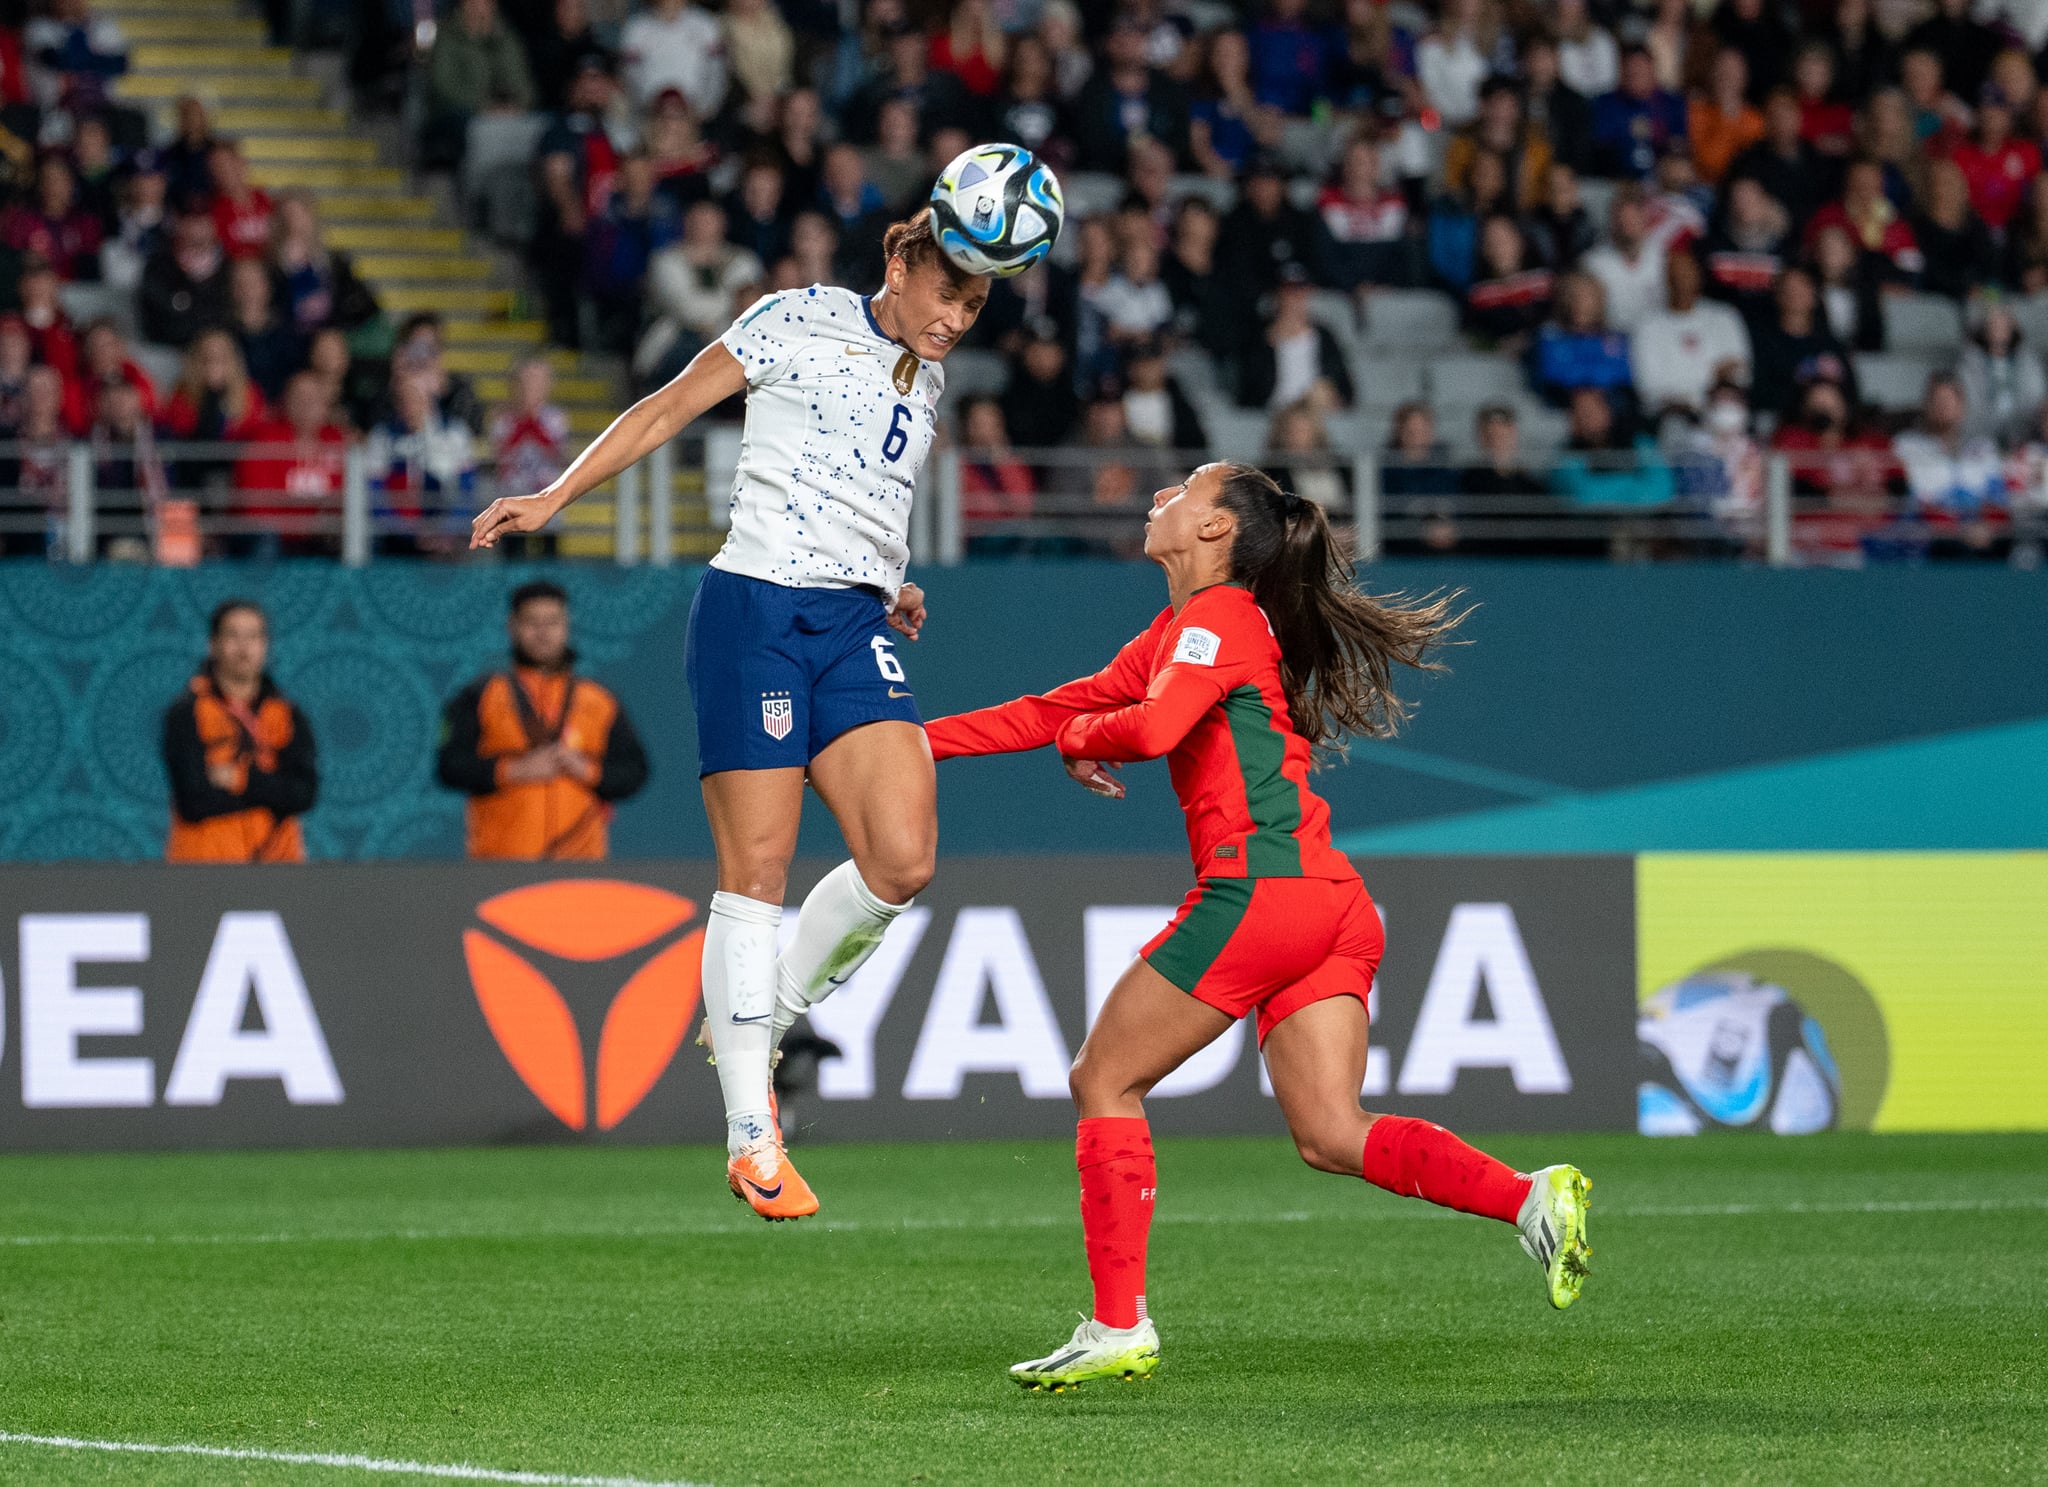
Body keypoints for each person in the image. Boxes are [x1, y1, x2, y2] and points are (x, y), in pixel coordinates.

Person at [923, 462, 1592, 1390]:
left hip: (1263, 890)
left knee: (1104, 1077)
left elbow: (1147, 730)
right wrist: (905, 746)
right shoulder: (1181, 629)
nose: (1165, 490)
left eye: (1187, 485)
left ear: (1214, 532)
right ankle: (1529, 1199)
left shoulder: (1221, 618)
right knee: (1329, 1131)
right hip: (1332, 902)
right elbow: (1053, 710)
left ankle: (1120, 1326)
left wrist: (1083, 743)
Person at [469, 210, 988, 1221]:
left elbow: (863, 490)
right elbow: (665, 409)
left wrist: (889, 576)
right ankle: (751, 1131)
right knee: (756, 872)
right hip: (752, 609)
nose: (954, 319)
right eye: (944, 294)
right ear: (897, 264)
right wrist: (554, 495)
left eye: (972, 305)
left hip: (850, 619)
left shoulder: (926, 375)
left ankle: (760, 1011)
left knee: (904, 857)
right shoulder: (793, 318)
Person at [437, 581, 649, 859]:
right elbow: (449, 766)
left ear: (567, 626)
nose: (543, 632)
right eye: (531, 622)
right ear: (512, 625)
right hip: (499, 865)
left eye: (552, 621)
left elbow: (635, 771)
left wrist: (587, 770)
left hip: (581, 867)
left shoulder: (599, 700)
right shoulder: (480, 694)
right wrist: (512, 770)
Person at [162, 600, 317, 864]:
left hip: (278, 867)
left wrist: (239, 779)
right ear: (213, 644)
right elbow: (193, 800)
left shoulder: (287, 713)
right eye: (232, 635)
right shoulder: (188, 711)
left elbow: (303, 794)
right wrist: (273, 791)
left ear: (265, 646)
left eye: (253, 636)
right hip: (204, 868)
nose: (243, 647)